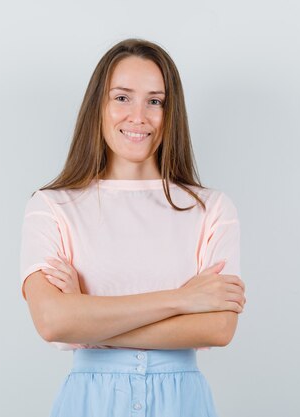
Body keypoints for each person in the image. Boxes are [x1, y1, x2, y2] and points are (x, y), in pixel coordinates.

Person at [19, 38, 246, 417]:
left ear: (170, 113)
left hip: (182, 403)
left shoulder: (211, 209)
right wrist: (182, 300)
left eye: (155, 101)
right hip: (90, 403)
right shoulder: (50, 206)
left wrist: (86, 319)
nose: (138, 116)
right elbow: (52, 320)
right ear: (98, 106)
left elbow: (219, 328)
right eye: (122, 97)